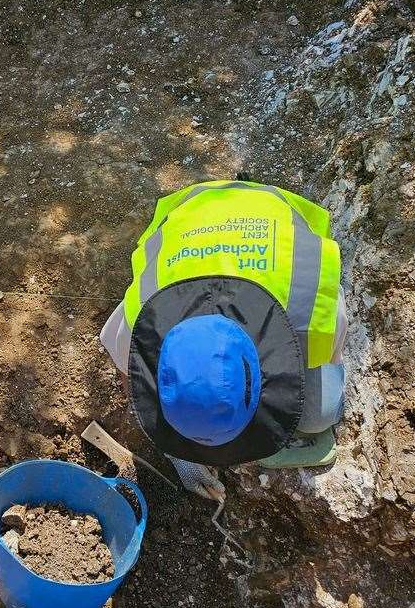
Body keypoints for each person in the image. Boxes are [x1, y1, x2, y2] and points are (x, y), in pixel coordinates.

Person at [100, 179, 347, 489]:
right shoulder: (141, 330)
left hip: (277, 208)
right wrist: (179, 455)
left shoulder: (308, 317)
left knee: (317, 415)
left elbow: (329, 354)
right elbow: (129, 374)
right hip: (190, 209)